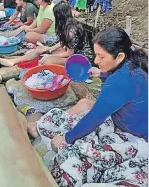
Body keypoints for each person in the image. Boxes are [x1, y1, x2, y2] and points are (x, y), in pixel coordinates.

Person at [27, 27, 148, 186]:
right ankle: (38, 128)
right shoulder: (132, 63)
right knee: (82, 106)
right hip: (127, 121)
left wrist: (67, 138)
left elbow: (93, 119)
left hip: (136, 137)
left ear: (119, 57)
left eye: (100, 56)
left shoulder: (120, 81)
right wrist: (101, 73)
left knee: (72, 155)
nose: (96, 61)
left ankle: (37, 128)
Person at [0, 0, 85, 67]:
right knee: (40, 49)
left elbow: (69, 53)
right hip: (69, 51)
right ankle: (13, 61)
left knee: (47, 61)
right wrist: (51, 48)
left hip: (78, 59)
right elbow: (63, 42)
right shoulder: (67, 24)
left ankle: (27, 62)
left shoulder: (71, 30)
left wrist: (50, 56)